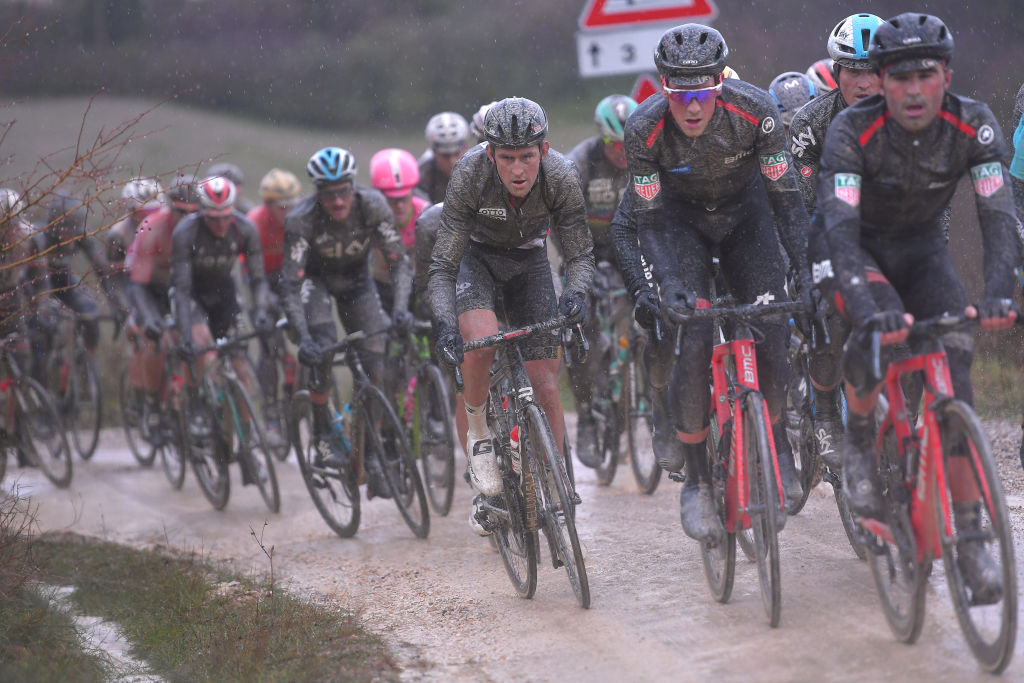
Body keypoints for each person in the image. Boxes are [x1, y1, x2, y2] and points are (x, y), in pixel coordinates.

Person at [817, 13, 1019, 602]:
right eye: (897, 76)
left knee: (954, 378)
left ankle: (973, 540)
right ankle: (857, 438)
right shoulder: (850, 131)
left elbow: (999, 216)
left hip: (924, 251)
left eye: (924, 75)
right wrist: (861, 301)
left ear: (946, 75)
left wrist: (1001, 290)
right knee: (870, 334)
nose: (911, 89)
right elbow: (838, 226)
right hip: (858, 247)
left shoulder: (973, 124)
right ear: (879, 80)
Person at [625, 23, 810, 542]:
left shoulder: (757, 112)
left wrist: (808, 269)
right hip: (679, 227)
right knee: (693, 338)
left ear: (720, 85)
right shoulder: (643, 130)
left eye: (702, 91)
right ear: (663, 86)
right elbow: (650, 218)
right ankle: (698, 481)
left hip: (746, 220)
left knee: (772, 332)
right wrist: (667, 282)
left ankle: (776, 439)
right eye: (679, 92)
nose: (691, 106)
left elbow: (788, 202)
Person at [428, 97, 595, 534]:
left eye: (526, 157)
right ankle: (480, 435)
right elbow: (444, 265)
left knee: (545, 383)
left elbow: (578, 253)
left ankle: (556, 482)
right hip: (476, 261)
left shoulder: (560, 175)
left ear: (544, 150)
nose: (518, 170)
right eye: (506, 158)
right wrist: (446, 323)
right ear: (490, 155)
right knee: (481, 340)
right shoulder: (469, 174)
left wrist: (577, 295)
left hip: (529, 262)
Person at [280, 147, 412, 483]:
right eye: (329, 195)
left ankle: (368, 452)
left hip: (358, 283)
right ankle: (323, 432)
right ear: (317, 193)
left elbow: (399, 264)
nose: (338, 202)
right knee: (322, 348)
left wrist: (399, 311)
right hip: (316, 284)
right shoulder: (301, 219)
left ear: (353, 187)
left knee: (377, 365)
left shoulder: (373, 206)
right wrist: (303, 338)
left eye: (343, 193)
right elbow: (291, 286)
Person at [789, 13, 883, 467]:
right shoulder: (810, 124)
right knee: (828, 314)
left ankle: (913, 424)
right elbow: (802, 209)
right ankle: (825, 408)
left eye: (873, 70)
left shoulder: (910, 117)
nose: (864, 82)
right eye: (853, 71)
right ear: (837, 73)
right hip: (826, 234)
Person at [562, 94, 637, 467]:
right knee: (581, 333)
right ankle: (588, 416)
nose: (623, 153)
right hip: (585, 250)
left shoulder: (643, 158)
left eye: (629, 145)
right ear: (602, 140)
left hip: (627, 248)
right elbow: (563, 221)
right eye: (615, 145)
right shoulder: (580, 162)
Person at [171, 175, 271, 451]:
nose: (220, 223)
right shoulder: (186, 233)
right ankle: (195, 404)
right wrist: (186, 335)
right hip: (191, 293)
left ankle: (248, 439)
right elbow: (180, 288)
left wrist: (261, 310)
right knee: (200, 342)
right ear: (201, 213)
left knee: (240, 366)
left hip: (225, 293)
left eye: (226, 216)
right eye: (213, 218)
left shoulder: (245, 228)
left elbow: (258, 278)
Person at [27, 192, 129, 383]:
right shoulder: (38, 238)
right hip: (37, 288)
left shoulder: (79, 233)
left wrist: (115, 301)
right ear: (53, 222)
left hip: (64, 282)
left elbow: (101, 269)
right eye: (65, 227)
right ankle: (40, 385)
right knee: (43, 335)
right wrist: (41, 307)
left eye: (74, 227)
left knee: (90, 312)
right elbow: (35, 282)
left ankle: (85, 363)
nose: (70, 234)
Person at [126, 176, 200, 438]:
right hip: (151, 290)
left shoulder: (204, 229)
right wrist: (149, 318)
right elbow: (137, 284)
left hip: (183, 289)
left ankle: (197, 403)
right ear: (171, 207)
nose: (187, 218)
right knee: (154, 340)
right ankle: (152, 403)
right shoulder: (153, 227)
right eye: (181, 212)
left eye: (194, 213)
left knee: (198, 338)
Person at [247, 168, 303, 442]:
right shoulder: (254, 223)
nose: (288, 210)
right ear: (267, 205)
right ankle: (269, 412)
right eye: (281, 206)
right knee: (269, 345)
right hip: (263, 282)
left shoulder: (301, 219)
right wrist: (263, 304)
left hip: (292, 279)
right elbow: (251, 274)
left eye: (292, 204)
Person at [368, 148, 431, 313]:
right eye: (393, 200)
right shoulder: (367, 217)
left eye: (404, 198)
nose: (400, 206)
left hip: (418, 285)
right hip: (379, 286)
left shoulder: (425, 213)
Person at [418, 112, 471, 203]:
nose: (452, 161)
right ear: (434, 152)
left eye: (456, 153)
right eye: (445, 155)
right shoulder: (421, 176)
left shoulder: (480, 169)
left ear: (466, 148)